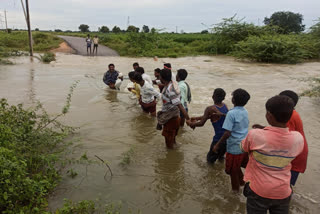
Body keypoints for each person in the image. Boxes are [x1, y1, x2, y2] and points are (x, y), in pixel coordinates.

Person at [241, 95, 304, 214]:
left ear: (269, 115)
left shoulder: (255, 134)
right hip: (283, 191)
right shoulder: (298, 138)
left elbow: (243, 148)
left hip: (258, 190)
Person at [212, 88, 250, 192]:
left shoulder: (231, 114)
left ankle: (235, 192)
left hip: (234, 146)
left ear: (233, 100)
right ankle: (242, 183)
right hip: (244, 144)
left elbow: (227, 133)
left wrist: (217, 144)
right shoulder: (245, 111)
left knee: (232, 170)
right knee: (236, 167)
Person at [187, 88, 228, 163]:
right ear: (224, 98)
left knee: (210, 161)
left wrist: (191, 123)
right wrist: (196, 118)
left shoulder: (210, 108)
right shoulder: (225, 106)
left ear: (213, 96)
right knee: (221, 157)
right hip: (227, 138)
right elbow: (209, 117)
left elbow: (201, 123)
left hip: (218, 139)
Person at [157, 68, 190, 149]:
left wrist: (188, 119)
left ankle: (171, 158)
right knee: (173, 139)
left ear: (162, 78)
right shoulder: (172, 84)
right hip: (174, 117)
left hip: (170, 119)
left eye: (159, 76)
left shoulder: (170, 90)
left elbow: (179, 105)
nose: (159, 78)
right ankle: (176, 153)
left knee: (169, 144)